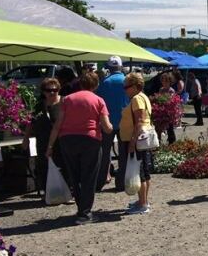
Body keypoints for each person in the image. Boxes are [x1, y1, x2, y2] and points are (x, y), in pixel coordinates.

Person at [46, 71, 113, 225]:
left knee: (74, 176)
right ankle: (85, 213)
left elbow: (58, 125)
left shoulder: (67, 99)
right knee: (89, 176)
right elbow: (107, 127)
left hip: (67, 140)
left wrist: (50, 146)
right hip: (90, 140)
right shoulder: (98, 100)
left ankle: (80, 208)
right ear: (96, 85)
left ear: (81, 84)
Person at [118, 72, 155, 214]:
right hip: (142, 139)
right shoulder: (144, 97)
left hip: (135, 140)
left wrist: (132, 141)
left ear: (135, 86)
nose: (124, 89)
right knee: (144, 171)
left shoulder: (136, 99)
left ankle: (143, 204)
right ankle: (143, 200)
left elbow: (139, 121)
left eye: (126, 86)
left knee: (139, 172)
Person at [21, 78, 65, 196]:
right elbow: (30, 122)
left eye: (55, 90)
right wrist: (26, 138)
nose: (52, 92)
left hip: (61, 140)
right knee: (43, 166)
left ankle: (65, 191)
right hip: (43, 139)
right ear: (43, 92)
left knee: (63, 165)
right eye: (48, 90)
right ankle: (48, 192)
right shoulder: (39, 106)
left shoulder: (64, 103)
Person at [96, 55, 129, 191]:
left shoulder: (104, 83)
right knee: (123, 153)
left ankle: (101, 181)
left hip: (107, 123)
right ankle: (121, 183)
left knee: (105, 153)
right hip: (124, 122)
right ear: (120, 67)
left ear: (108, 68)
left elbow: (99, 102)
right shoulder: (126, 81)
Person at [156, 72, 178, 144]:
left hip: (169, 112)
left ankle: (172, 142)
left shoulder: (171, 90)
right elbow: (159, 98)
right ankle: (159, 142)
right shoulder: (161, 89)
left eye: (166, 81)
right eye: (163, 81)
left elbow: (171, 100)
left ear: (170, 82)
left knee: (170, 128)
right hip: (162, 111)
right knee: (160, 127)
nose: (164, 83)